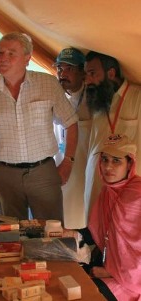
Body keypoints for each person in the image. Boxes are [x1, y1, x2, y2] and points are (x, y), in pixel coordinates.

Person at [0, 32, 78, 221]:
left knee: (51, 233)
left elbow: (71, 123)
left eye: (11, 53)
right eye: (0, 52)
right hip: (4, 174)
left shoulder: (47, 84)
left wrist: (68, 162)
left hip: (43, 172)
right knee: (11, 236)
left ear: (27, 58)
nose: (3, 58)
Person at [84, 51, 141, 221]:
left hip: (129, 183)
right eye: (86, 74)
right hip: (97, 177)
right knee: (95, 231)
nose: (88, 80)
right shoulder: (94, 99)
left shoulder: (137, 97)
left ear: (111, 73)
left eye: (92, 73)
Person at [85, 134, 141, 300]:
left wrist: (111, 272)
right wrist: (67, 233)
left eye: (116, 160)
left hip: (132, 281)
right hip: (109, 267)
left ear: (129, 164)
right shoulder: (108, 192)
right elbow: (100, 231)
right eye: (104, 159)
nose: (108, 167)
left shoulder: (138, 195)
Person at [54, 47, 91, 229]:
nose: (63, 74)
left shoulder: (92, 100)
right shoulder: (56, 97)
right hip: (60, 168)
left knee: (80, 221)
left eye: (69, 69)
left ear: (83, 73)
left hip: (83, 170)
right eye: (60, 69)